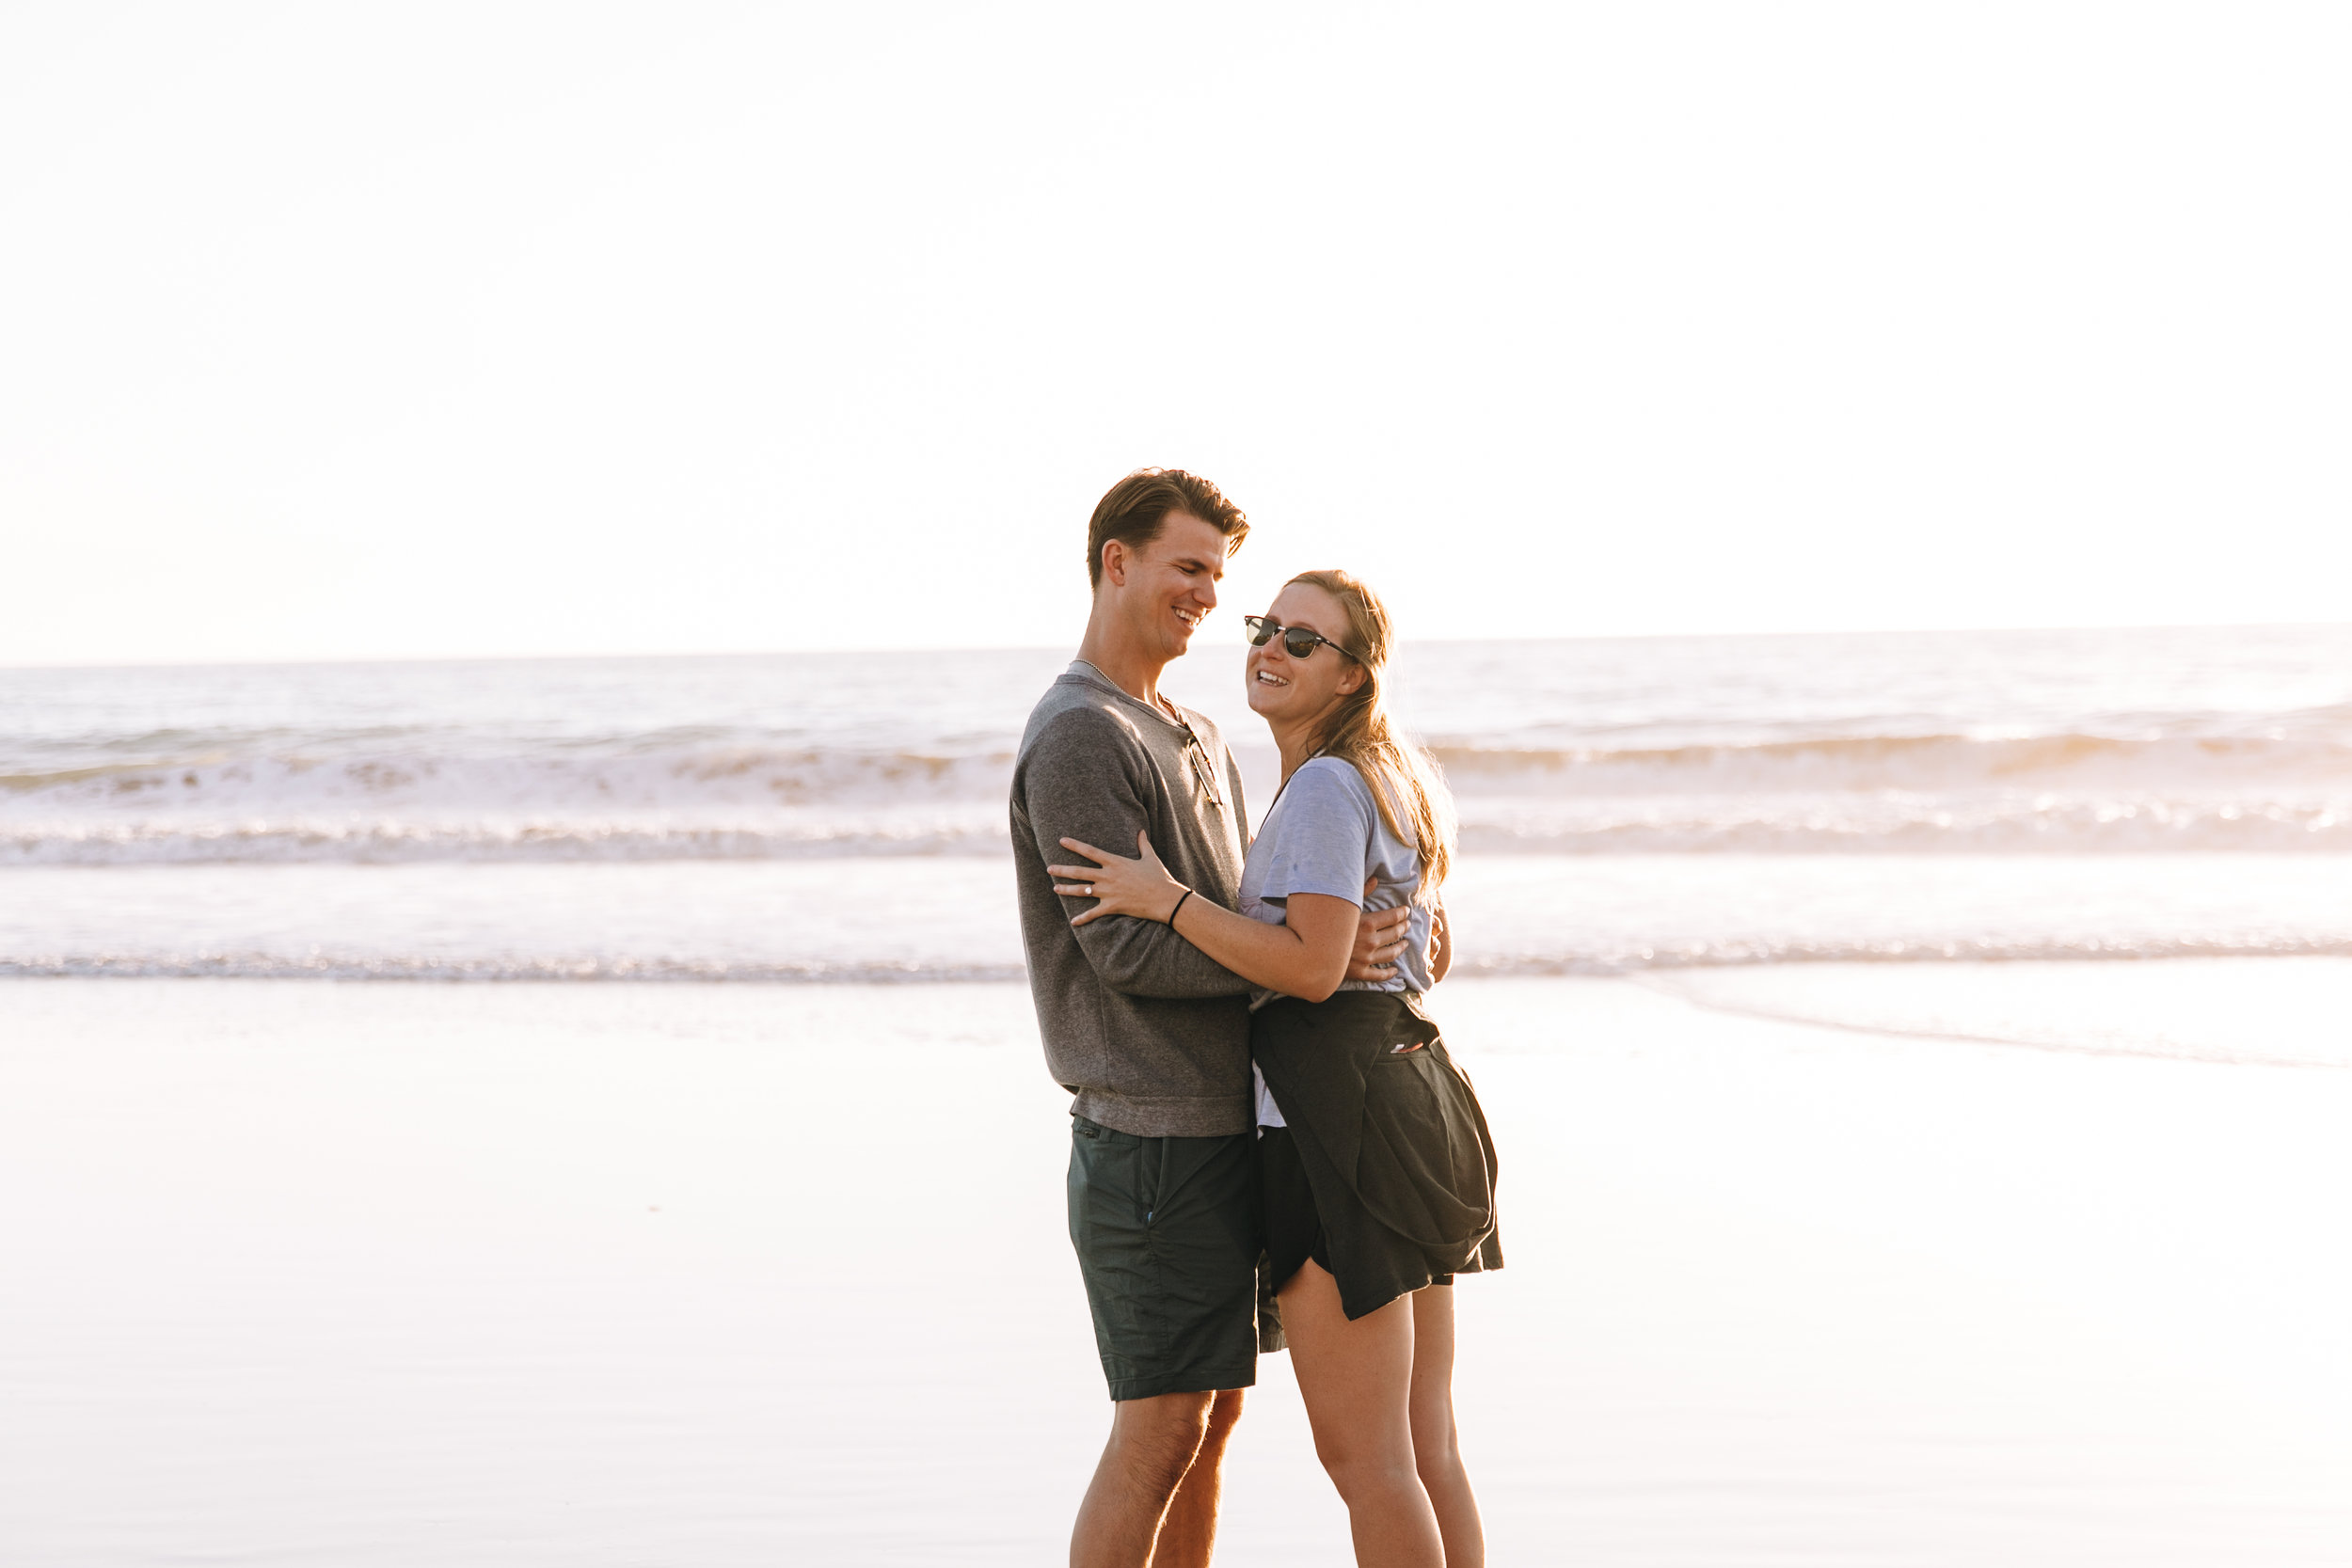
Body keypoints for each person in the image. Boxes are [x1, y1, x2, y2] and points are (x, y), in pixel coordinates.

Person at [1052, 568, 1501, 1568]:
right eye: (1267, 626)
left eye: (1305, 642)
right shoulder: (1392, 774)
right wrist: (1347, 958)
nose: (1271, 647)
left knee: (1369, 1460)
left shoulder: (1327, 786)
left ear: (1351, 676)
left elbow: (1307, 965)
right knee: (1426, 1447)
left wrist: (1166, 898)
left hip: (1333, 1127)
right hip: (1410, 1099)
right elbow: (1417, 950)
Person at [1010, 475, 1418, 1568]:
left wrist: (1310, 960)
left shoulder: (1190, 729)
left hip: (1230, 1125)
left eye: (1215, 578)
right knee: (1158, 1427)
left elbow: (1242, 915)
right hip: (1147, 1138)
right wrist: (1300, 972)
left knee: (1213, 1420)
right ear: (1116, 562)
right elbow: (1128, 949)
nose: (1204, 596)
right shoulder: (1080, 736)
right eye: (1187, 567)